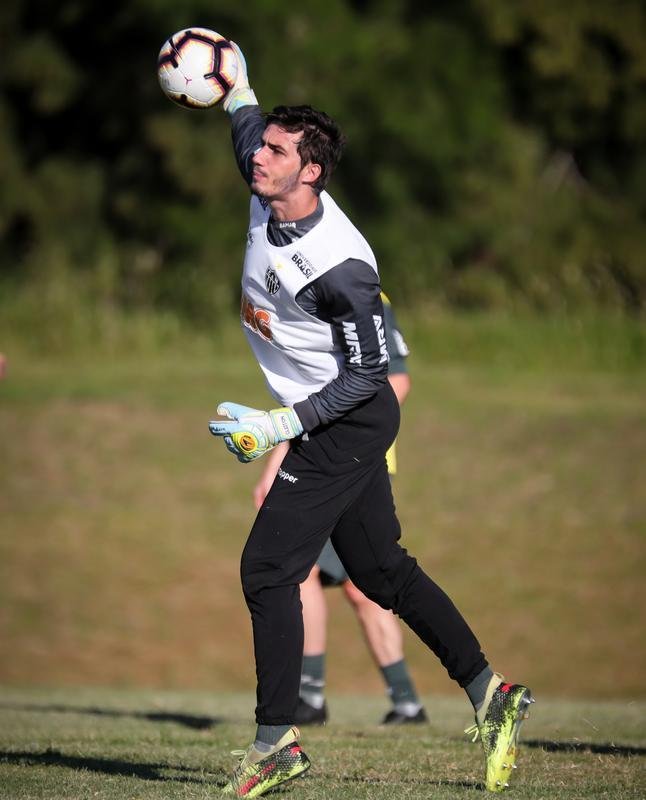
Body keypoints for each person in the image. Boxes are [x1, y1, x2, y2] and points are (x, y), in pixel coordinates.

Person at [208, 41, 533, 797]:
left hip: (344, 424)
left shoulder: (342, 269)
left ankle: (276, 744)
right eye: (261, 146)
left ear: (310, 172)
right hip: (328, 421)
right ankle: (494, 694)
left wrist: (280, 425)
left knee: (267, 570)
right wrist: (234, 86)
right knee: (382, 571)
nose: (260, 155)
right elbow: (244, 129)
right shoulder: (266, 186)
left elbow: (368, 376)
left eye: (278, 150)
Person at [252, 294, 428, 727]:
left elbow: (396, 380)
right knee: (360, 584)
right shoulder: (310, 292)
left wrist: (328, 440)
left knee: (311, 572)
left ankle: (309, 697)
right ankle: (406, 701)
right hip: (337, 457)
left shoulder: (355, 291)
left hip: (344, 462)